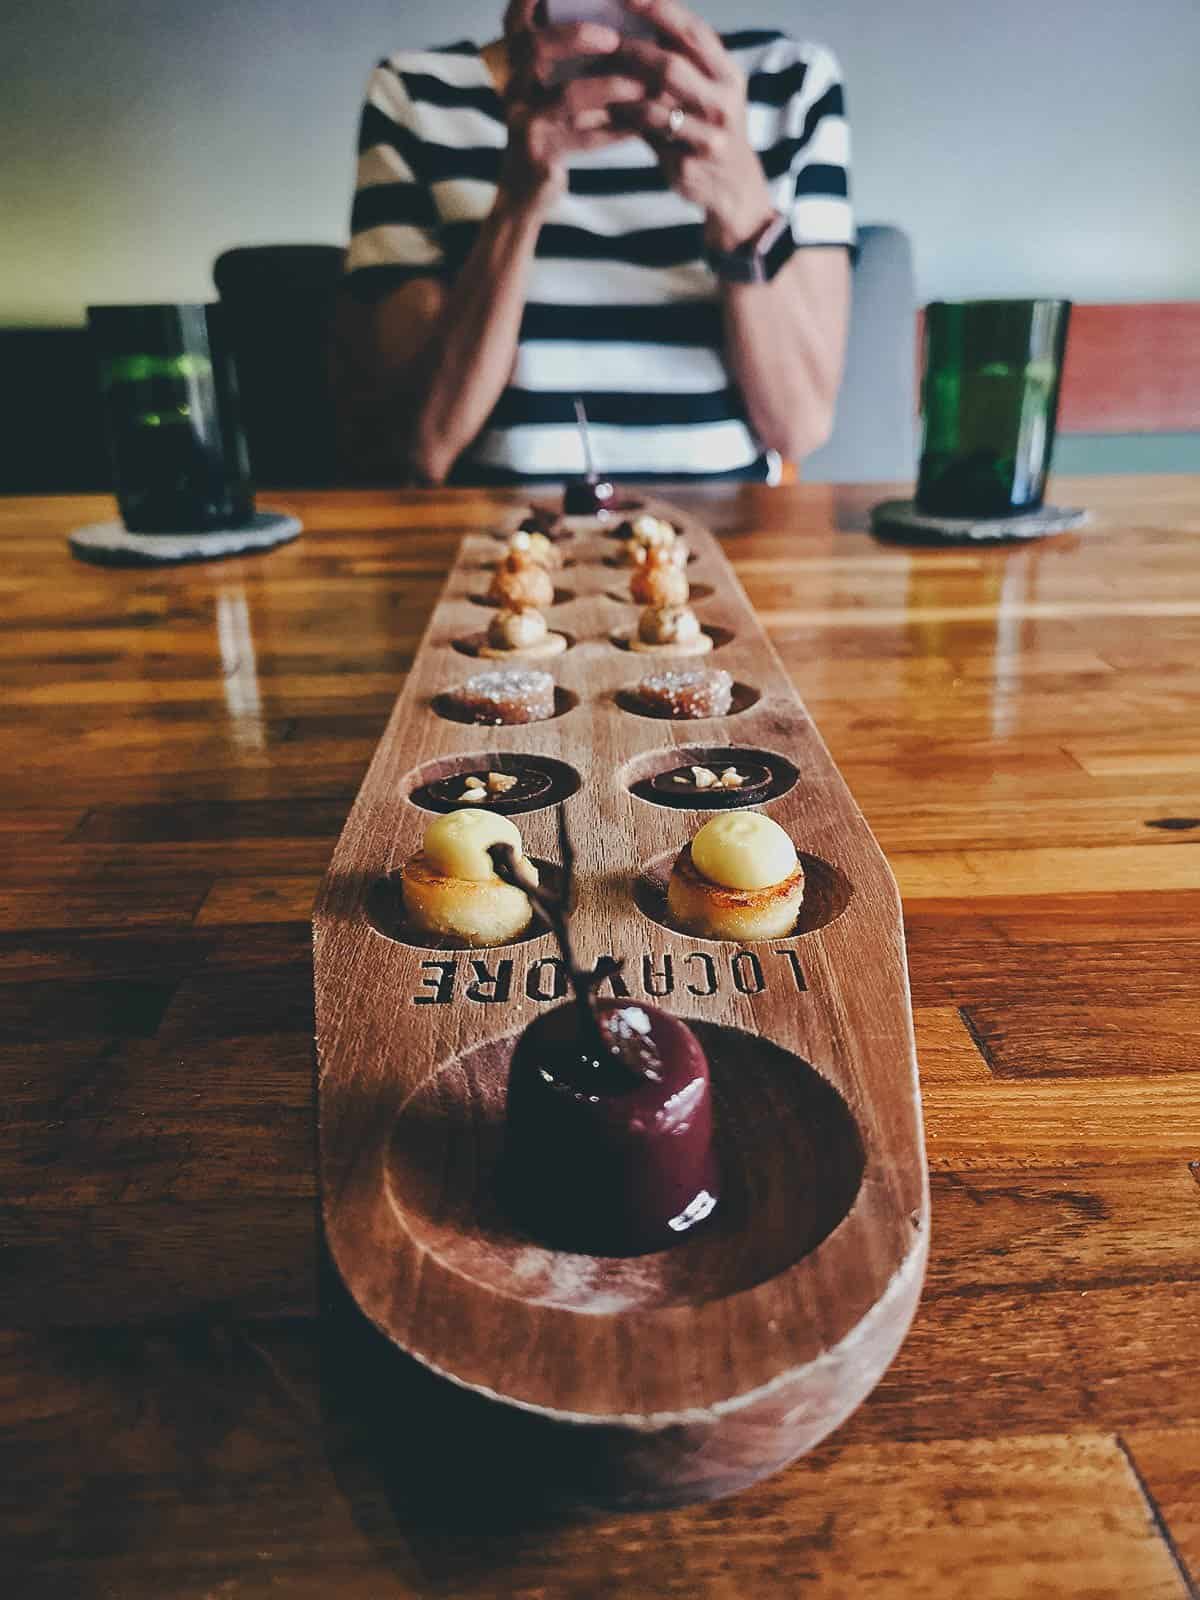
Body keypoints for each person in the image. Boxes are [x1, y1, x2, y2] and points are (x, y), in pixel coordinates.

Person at [340, 0, 853, 486]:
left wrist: (742, 208)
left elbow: (799, 427)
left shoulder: (789, 86)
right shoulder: (415, 94)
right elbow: (423, 444)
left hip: (720, 554)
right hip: (500, 552)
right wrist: (516, 205)